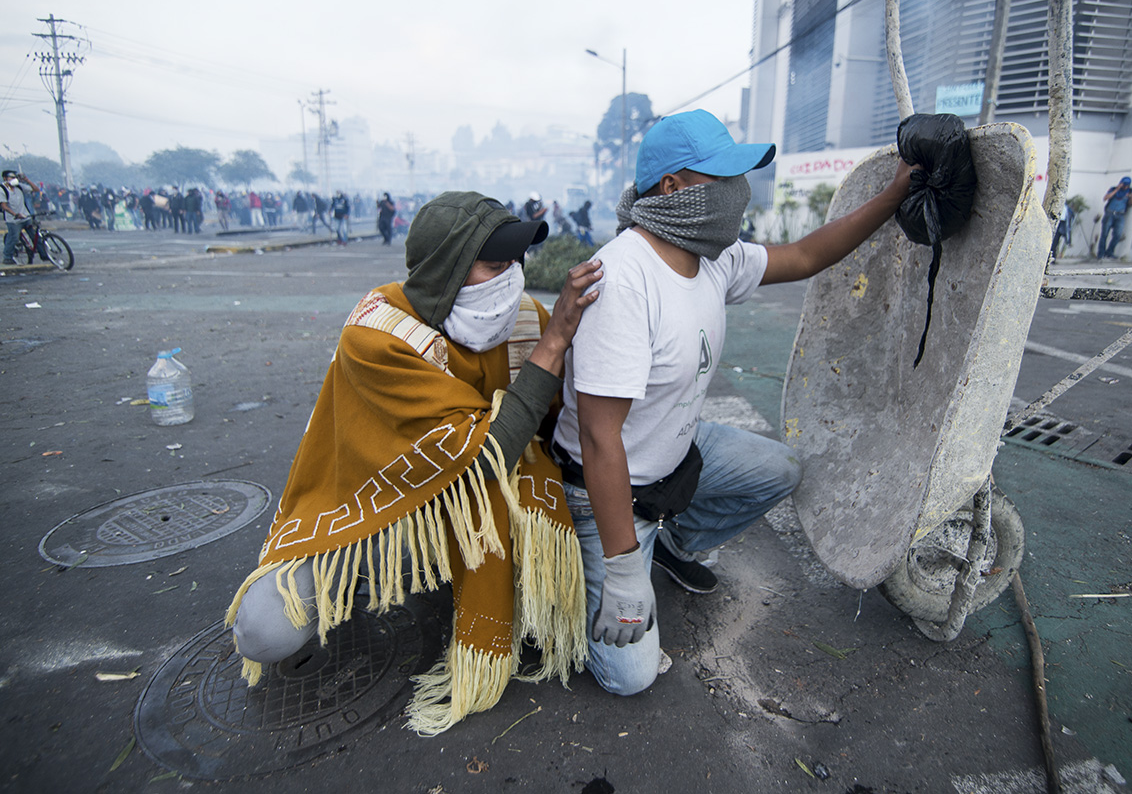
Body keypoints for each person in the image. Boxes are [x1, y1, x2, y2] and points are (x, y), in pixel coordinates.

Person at [550, 109, 917, 696]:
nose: (737, 192)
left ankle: (671, 542)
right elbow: (599, 438)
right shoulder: (622, 281)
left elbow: (804, 256)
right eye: (720, 178)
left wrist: (896, 195)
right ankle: (595, 573)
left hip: (678, 454)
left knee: (783, 469)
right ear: (670, 188)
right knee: (630, 677)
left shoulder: (711, 255)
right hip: (608, 488)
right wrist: (622, 571)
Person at [225, 191, 604, 735]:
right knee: (263, 632)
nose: (512, 278)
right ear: (447, 271)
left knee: (518, 499)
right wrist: (558, 339)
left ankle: (473, 570)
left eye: (515, 264)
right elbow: (489, 450)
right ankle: (370, 573)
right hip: (381, 505)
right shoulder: (375, 334)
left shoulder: (522, 318)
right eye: (494, 265)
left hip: (469, 494)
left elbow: (551, 422)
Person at [2, 169, 37, 265]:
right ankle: (7, 257)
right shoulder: (2, 189)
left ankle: (44, 255)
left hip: (25, 216)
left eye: (15, 177)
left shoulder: (19, 187)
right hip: (13, 219)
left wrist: (27, 180)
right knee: (13, 237)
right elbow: (4, 206)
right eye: (12, 177)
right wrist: (15, 214)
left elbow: (36, 189)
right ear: (5, 178)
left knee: (35, 236)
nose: (14, 179)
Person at [1097, 176, 1132, 259]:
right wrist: (1117, 190)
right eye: (1124, 185)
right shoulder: (1113, 189)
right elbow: (1105, 198)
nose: (1125, 187)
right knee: (1104, 234)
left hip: (1120, 215)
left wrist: (1130, 197)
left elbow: (1131, 204)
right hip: (1110, 213)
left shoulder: (1130, 191)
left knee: (1118, 234)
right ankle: (1100, 253)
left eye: (1127, 185)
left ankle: (1109, 252)